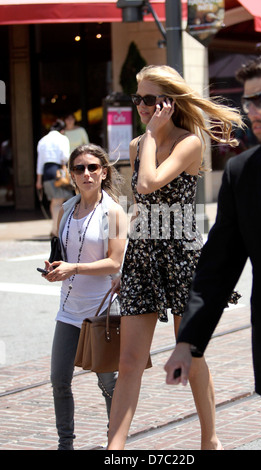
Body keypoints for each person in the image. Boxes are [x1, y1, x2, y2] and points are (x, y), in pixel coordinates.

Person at [165, 54, 261, 451]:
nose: (251, 111)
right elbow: (218, 266)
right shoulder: (243, 172)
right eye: (247, 101)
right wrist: (188, 342)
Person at [107, 64, 243, 450]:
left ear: (168, 102)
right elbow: (140, 205)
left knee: (191, 353)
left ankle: (209, 439)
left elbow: (150, 182)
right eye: (138, 100)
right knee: (130, 361)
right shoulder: (137, 146)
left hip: (181, 255)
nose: (142, 107)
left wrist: (150, 135)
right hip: (144, 254)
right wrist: (124, 264)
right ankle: (113, 450)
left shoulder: (189, 143)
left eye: (150, 100)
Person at [41, 143, 127, 450]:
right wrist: (55, 269)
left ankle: (113, 443)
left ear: (104, 172)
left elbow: (115, 262)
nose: (86, 174)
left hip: (100, 310)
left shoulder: (115, 211)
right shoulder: (66, 209)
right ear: (71, 174)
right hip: (68, 310)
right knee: (59, 380)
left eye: (93, 168)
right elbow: (65, 253)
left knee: (109, 384)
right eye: (79, 169)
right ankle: (66, 444)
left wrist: (74, 268)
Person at [36, 119, 73, 237]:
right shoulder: (62, 138)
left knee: (55, 201)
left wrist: (38, 180)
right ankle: (56, 230)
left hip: (46, 172)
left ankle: (55, 228)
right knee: (59, 201)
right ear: (62, 130)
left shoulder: (43, 140)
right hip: (58, 171)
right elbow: (65, 156)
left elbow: (40, 162)